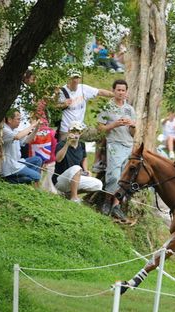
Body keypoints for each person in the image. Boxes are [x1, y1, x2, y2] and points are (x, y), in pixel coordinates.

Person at [98, 79, 136, 223]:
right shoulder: (107, 107)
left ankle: (116, 206)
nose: (121, 92)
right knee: (113, 175)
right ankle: (107, 201)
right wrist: (114, 124)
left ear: (126, 92)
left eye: (123, 90)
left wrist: (132, 125)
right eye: (118, 90)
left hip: (128, 144)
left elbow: (133, 132)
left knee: (124, 176)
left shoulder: (130, 109)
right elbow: (100, 128)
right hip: (113, 144)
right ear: (113, 90)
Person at [56, 70, 114, 142]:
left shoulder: (83, 88)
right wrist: (63, 105)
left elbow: (100, 92)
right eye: (73, 78)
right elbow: (52, 107)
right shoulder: (61, 91)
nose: (75, 80)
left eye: (77, 78)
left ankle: (99, 153)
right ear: (68, 79)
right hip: (66, 129)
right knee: (65, 150)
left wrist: (115, 95)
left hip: (81, 128)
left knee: (101, 135)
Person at [52, 121, 103, 202]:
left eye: (77, 132)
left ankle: (68, 194)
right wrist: (67, 144)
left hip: (76, 178)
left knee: (98, 184)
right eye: (73, 131)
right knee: (76, 168)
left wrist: (86, 170)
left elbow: (84, 158)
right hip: (60, 180)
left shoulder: (82, 145)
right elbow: (58, 159)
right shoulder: (62, 144)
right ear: (69, 132)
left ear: (81, 133)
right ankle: (74, 198)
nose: (75, 134)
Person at [0, 109, 42, 185]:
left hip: (17, 161)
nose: (19, 121)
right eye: (18, 119)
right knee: (37, 176)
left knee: (37, 160)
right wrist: (32, 125)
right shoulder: (4, 130)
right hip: (10, 166)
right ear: (9, 119)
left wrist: (36, 129)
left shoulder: (14, 130)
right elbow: (18, 137)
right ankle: (9, 180)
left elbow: (26, 141)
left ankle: (25, 179)